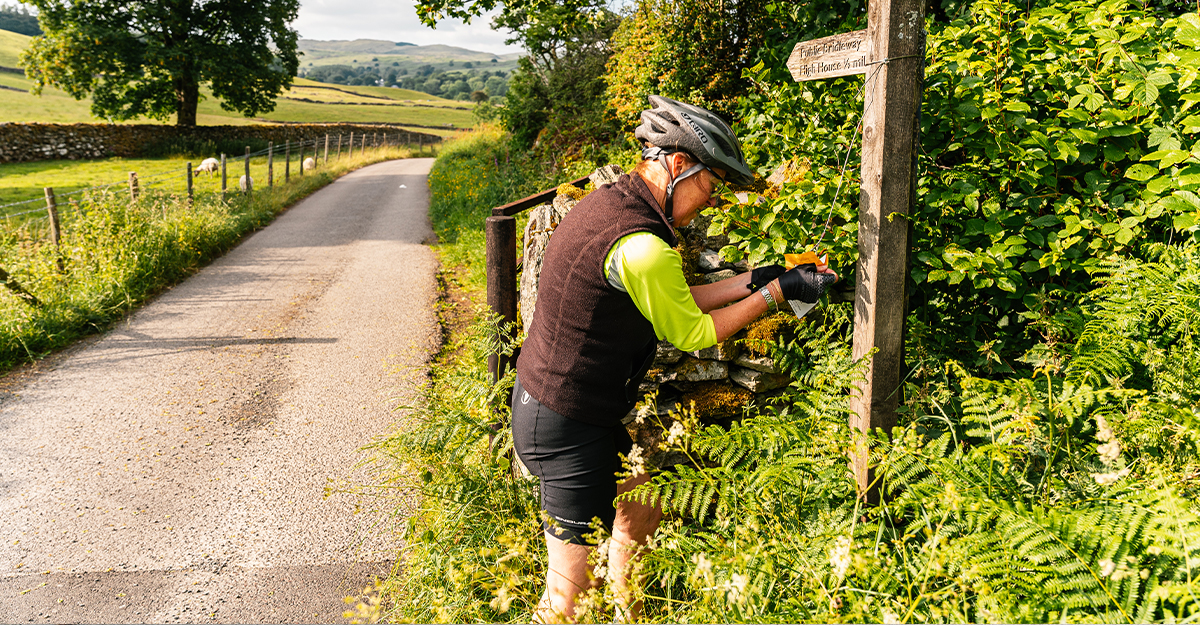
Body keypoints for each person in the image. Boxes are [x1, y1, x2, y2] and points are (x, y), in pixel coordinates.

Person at [511, 95, 839, 622]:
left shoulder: (615, 205)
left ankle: (630, 615)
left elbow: (673, 294)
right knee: (568, 598)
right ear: (679, 165)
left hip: (579, 408)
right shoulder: (641, 243)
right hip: (564, 422)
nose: (711, 201)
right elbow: (690, 331)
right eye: (711, 186)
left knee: (641, 509)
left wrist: (760, 277)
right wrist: (777, 295)